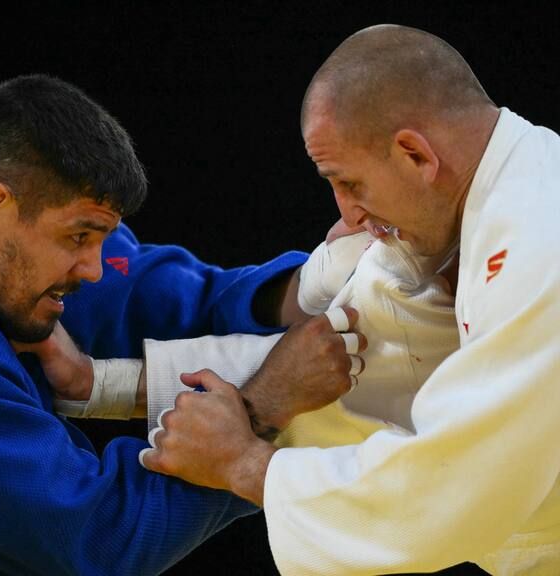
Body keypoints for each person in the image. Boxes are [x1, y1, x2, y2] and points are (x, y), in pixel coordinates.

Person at [0, 74, 360, 574]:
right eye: (79, 237)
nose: (93, 267)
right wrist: (264, 408)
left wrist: (308, 288)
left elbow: (151, 292)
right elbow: (105, 542)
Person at [137, 24, 560, 575]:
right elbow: (347, 383)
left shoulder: (534, 237)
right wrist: (101, 385)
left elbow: (453, 482)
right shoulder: (461, 223)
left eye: (349, 183)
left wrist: (246, 464)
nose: (348, 214)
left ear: (415, 155)